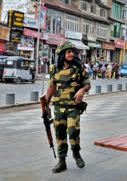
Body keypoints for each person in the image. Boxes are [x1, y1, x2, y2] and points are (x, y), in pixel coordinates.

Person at [45, 41, 91, 173]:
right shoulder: (54, 69)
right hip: (59, 107)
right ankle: (62, 162)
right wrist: (45, 105)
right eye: (68, 52)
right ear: (62, 54)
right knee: (59, 134)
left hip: (73, 107)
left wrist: (82, 90)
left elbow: (87, 84)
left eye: (72, 52)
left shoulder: (78, 67)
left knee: (72, 132)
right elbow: (51, 87)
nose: (71, 54)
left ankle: (76, 155)